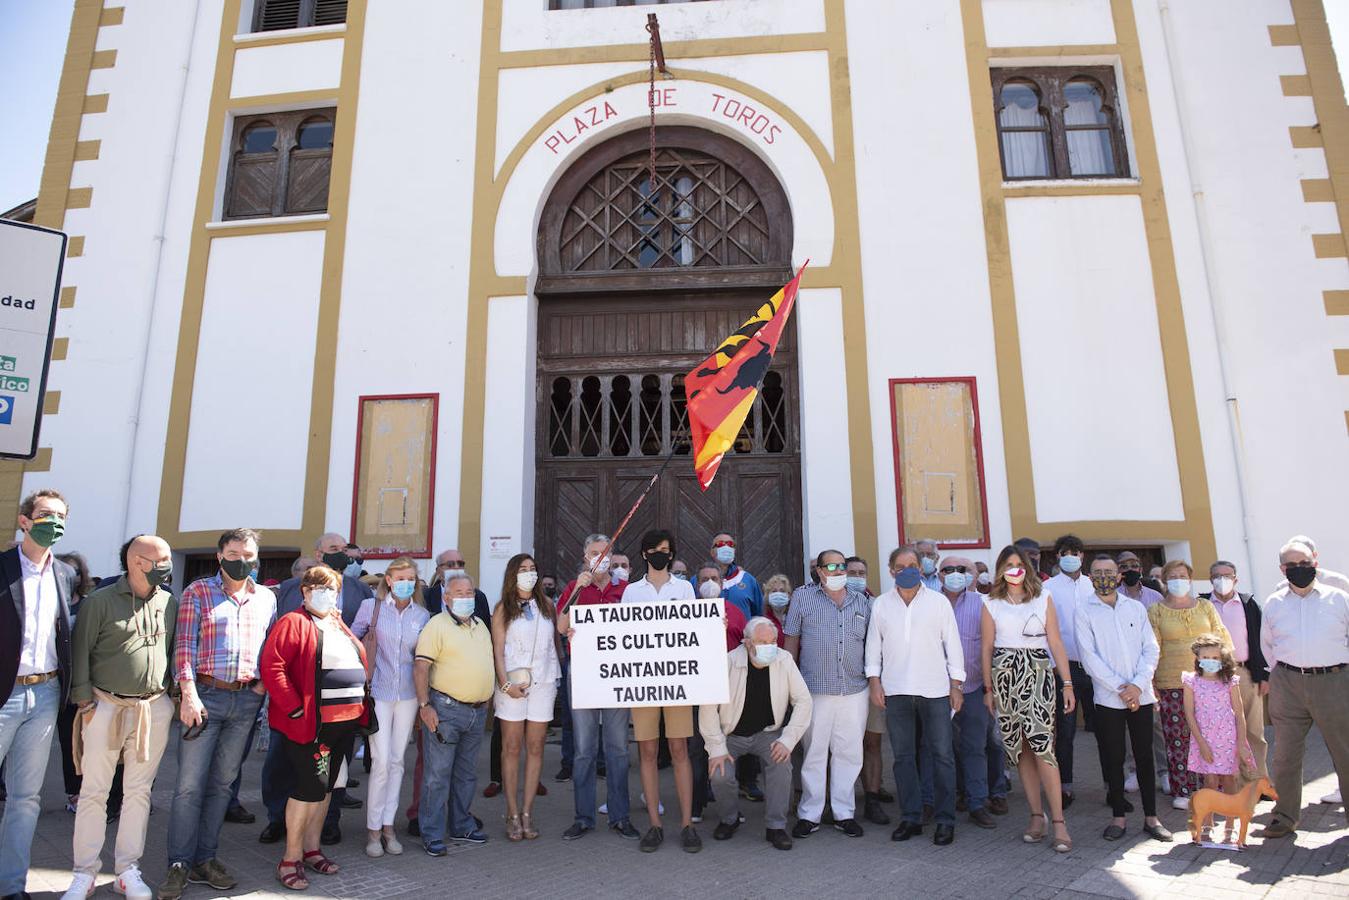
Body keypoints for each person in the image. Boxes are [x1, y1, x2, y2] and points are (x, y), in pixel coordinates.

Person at [161, 528, 276, 899]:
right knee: (189, 786)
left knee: (223, 785)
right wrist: (189, 695)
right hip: (205, 696)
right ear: (219, 556)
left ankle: (205, 859)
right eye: (234, 553)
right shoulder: (198, 591)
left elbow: (270, 648)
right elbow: (183, 647)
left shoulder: (267, 599)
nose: (241, 561)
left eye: (248, 555)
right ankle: (178, 862)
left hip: (245, 701)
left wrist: (260, 689)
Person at [60, 536, 177, 900]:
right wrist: (85, 705)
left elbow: (170, 649)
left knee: (139, 792)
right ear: (137, 561)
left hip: (151, 708)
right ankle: (84, 872)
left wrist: (169, 699)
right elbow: (80, 652)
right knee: (94, 792)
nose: (167, 566)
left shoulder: (168, 601)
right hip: (104, 707)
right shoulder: (99, 601)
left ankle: (128, 869)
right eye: (161, 560)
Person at [259, 564, 370, 889]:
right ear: (305, 591)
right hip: (313, 726)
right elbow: (272, 666)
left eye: (331, 588)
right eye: (318, 587)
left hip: (344, 724)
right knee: (308, 790)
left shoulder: (337, 624)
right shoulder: (293, 622)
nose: (326, 593)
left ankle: (312, 848)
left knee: (326, 789)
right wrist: (294, 708)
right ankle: (290, 857)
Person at [1, 490, 77, 899]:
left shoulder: (64, 573)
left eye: (61, 516)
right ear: (25, 520)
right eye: (46, 514)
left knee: (26, 799)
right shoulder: (1, 566)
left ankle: (11, 886)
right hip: (4, 694)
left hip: (45, 694)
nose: (54, 522)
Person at [866, 547, 965, 846]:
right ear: (891, 570)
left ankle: (945, 820)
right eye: (900, 565)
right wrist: (874, 683)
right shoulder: (882, 605)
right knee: (903, 758)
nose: (907, 569)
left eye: (912, 564)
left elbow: (954, 644)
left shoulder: (938, 603)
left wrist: (956, 685)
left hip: (935, 690)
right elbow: (873, 647)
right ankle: (910, 817)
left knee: (943, 756)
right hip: (896, 691)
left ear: (920, 569)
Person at [980, 545, 1074, 854]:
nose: (1015, 569)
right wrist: (988, 689)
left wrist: (1067, 684)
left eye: (1019, 564)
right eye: (1008, 564)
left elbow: (1056, 642)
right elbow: (987, 648)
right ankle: (1037, 816)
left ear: (1027, 568)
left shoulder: (1043, 597)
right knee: (1019, 749)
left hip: (1038, 672)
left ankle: (1059, 821)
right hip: (1004, 674)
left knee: (1043, 747)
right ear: (1000, 569)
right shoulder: (991, 602)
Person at [1074, 554, 1172, 842]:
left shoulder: (1135, 608)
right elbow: (1089, 657)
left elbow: (1150, 648)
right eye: (1097, 572)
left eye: (1109, 572)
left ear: (1118, 576)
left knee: (1144, 756)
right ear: (1090, 578)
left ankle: (1151, 818)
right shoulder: (1084, 611)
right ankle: (1118, 816)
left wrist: (1138, 685)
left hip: (1141, 696)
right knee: (1113, 757)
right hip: (1108, 698)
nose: (1103, 576)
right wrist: (1121, 687)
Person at [1256, 538, 1349, 839]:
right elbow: (1268, 644)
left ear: (1315, 563)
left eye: (1305, 563)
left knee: (1344, 752)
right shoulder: (1274, 603)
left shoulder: (1339, 598)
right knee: (1285, 754)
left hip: (1334, 682)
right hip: (1288, 684)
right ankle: (1284, 816)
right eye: (1292, 565)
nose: (1300, 569)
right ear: (1283, 569)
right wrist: (1288, 671)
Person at [700, 617, 812, 851]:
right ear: (747, 643)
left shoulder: (784, 660)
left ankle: (776, 826)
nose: (769, 647)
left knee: (782, 764)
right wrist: (716, 748)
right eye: (762, 642)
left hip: (768, 733)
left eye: (772, 641)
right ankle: (729, 819)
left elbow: (803, 700)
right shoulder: (728, 662)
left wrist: (788, 739)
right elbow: (708, 706)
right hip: (730, 734)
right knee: (720, 773)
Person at [621, 530, 701, 853]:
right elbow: (620, 635)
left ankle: (686, 824)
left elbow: (695, 630)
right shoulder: (631, 592)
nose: (659, 554)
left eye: (665, 550)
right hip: (643, 682)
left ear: (671, 555)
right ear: (644, 554)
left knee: (680, 750)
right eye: (653, 549)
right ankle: (654, 823)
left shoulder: (684, 589)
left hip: (677, 682)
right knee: (648, 753)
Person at [783, 549, 872, 838]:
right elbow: (792, 639)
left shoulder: (862, 601)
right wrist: (788, 681)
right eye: (831, 566)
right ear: (819, 571)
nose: (837, 571)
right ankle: (810, 814)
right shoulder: (802, 597)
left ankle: (844, 812)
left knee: (849, 752)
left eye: (841, 566)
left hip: (854, 689)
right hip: (815, 689)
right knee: (815, 752)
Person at [557, 534, 637, 842]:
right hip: (585, 673)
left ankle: (620, 816)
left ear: (612, 554)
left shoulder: (626, 589)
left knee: (617, 749)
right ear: (584, 555)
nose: (599, 557)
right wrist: (579, 586)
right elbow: (562, 626)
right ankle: (583, 817)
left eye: (604, 552)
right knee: (584, 750)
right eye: (593, 553)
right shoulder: (575, 587)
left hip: (617, 674)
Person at [406, 548, 491, 833]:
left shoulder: (480, 625)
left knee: (466, 775)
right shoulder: (436, 625)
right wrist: (424, 706)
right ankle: (431, 831)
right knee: (437, 775)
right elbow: (420, 667)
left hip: (477, 713)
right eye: (459, 593)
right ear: (446, 597)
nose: (466, 597)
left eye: (469, 592)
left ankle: (462, 824)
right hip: (445, 710)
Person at [350, 557, 430, 859]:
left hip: (408, 694)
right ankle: (372, 830)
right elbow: (354, 640)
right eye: (401, 577)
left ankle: (388, 827)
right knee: (381, 761)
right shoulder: (371, 609)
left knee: (397, 761)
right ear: (389, 580)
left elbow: (424, 656)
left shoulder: (422, 615)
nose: (406, 582)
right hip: (379, 692)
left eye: (411, 577)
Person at [1147, 560, 1230, 811]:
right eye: (1172, 576)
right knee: (1178, 740)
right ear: (1164, 580)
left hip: (1208, 682)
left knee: (1211, 737)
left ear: (1190, 579)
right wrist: (1151, 684)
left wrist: (1226, 675)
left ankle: (1213, 789)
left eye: (1182, 575)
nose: (1178, 580)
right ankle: (1182, 789)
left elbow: (1222, 638)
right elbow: (1151, 649)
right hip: (1171, 683)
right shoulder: (1156, 611)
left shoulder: (1205, 606)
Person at [491, 553, 561, 842]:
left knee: (535, 747)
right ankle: (511, 811)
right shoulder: (502, 609)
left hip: (543, 682)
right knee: (511, 747)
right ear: (513, 575)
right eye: (523, 569)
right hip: (512, 685)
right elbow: (496, 650)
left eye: (533, 568)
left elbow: (557, 640)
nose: (529, 573)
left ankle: (528, 811)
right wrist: (505, 684)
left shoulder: (547, 606)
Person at [940, 554, 1008, 827]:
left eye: (963, 569)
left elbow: (993, 647)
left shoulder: (984, 605)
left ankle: (978, 802)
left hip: (975, 687)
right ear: (939, 574)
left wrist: (991, 688)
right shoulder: (930, 603)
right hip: (937, 691)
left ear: (973, 574)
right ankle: (955, 795)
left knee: (975, 747)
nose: (956, 573)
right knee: (944, 748)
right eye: (949, 569)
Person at [56, 551, 119, 819]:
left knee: (92, 742)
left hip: (87, 682)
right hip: (56, 683)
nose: (71, 577)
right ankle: (74, 792)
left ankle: (96, 792)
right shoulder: (51, 602)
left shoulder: (90, 604)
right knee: (67, 741)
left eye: (76, 572)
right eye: (65, 571)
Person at [1199, 560, 1269, 782]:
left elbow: (1262, 640)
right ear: (1210, 579)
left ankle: (1258, 780)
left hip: (1245, 673)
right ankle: (1230, 782)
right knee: (1220, 731)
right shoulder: (1201, 605)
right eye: (1217, 575)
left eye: (1228, 575)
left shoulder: (1249, 604)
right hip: (1213, 675)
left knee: (1253, 730)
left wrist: (1263, 676)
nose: (1223, 580)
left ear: (1236, 579)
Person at [1043, 534, 1096, 807]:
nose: (1071, 557)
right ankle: (1065, 786)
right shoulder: (1047, 589)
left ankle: (1113, 786)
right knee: (1064, 731)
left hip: (1096, 669)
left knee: (1105, 729)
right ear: (1057, 557)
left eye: (1075, 552)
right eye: (1065, 552)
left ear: (1082, 556)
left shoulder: (1094, 585)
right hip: (1064, 670)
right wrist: (1054, 666)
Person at [1182, 633, 1251, 843]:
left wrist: (1241, 742)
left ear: (1222, 659)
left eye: (1215, 658)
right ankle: (1208, 823)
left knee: (1229, 780)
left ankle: (1230, 825)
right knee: (1209, 781)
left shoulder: (1230, 681)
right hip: (1205, 738)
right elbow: (1189, 713)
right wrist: (1201, 743)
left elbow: (1239, 713)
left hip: (1227, 737)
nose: (1210, 662)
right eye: (1206, 657)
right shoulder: (1191, 681)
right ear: (1198, 657)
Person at [710, 532, 764, 620]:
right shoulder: (699, 580)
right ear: (712, 552)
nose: (726, 547)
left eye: (730, 544)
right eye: (720, 544)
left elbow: (759, 615)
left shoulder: (749, 580)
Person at [763, 574, 792, 646]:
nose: (778, 594)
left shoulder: (794, 619)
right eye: (774, 591)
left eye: (782, 591)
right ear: (767, 596)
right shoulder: (764, 622)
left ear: (788, 595)